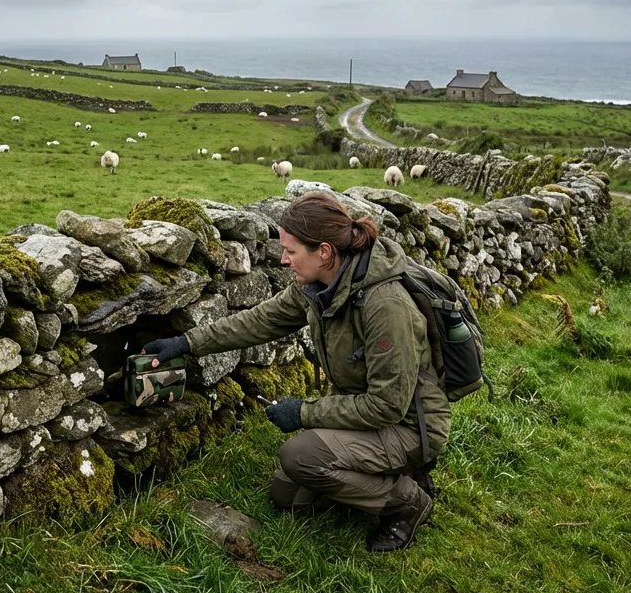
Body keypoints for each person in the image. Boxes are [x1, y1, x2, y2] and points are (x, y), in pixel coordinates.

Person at [143, 192, 449, 552]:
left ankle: (408, 502)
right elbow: (261, 320)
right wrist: (187, 342)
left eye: (291, 251)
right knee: (288, 496)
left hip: (410, 426)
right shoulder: (318, 286)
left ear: (324, 251)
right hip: (366, 412)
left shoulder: (386, 306)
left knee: (300, 456)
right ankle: (380, 477)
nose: (283, 259)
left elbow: (387, 405)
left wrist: (303, 412)